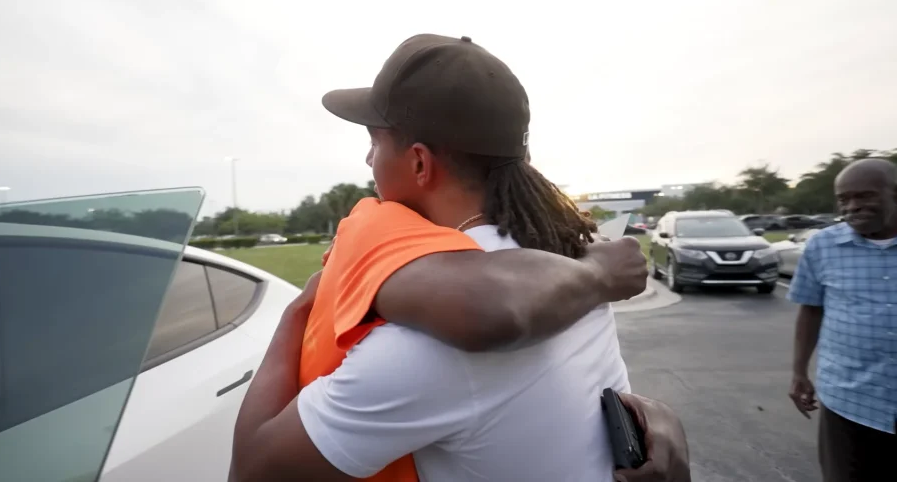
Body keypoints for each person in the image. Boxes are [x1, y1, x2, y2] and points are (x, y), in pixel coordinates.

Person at [231, 34, 689, 481]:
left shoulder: (425, 346)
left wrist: (302, 310)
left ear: (418, 163)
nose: (368, 158)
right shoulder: (562, 259)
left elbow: (253, 469)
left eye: (375, 140)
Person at [787, 158, 897, 482]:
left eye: (865, 196)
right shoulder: (823, 245)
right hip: (852, 401)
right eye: (844, 199)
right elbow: (811, 309)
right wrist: (799, 371)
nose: (853, 207)